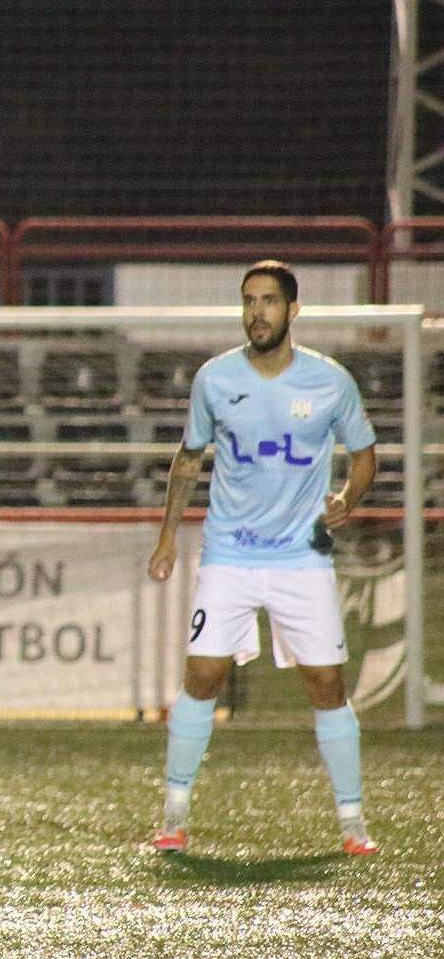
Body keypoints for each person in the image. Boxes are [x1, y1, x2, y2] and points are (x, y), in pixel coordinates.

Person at [146, 261, 379, 855]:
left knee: (327, 685)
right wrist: (168, 538)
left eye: (270, 301)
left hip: (302, 558)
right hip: (229, 553)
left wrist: (347, 498)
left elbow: (366, 455)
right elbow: (189, 457)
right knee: (202, 675)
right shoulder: (214, 379)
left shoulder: (330, 382)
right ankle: (173, 813)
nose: (258, 312)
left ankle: (352, 821)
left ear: (292, 311)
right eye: (249, 301)